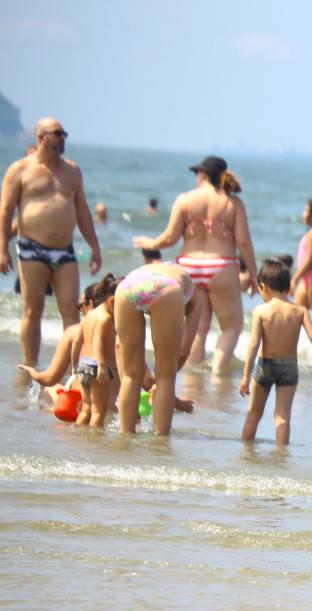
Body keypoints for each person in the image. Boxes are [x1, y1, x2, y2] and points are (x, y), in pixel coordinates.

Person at [133, 156, 255, 371]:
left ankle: (192, 379)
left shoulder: (185, 199)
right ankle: (217, 373)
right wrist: (253, 274)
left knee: (198, 327)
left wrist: (149, 242)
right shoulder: (233, 203)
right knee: (231, 327)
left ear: (204, 174)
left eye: (197, 173)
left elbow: (170, 237)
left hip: (189, 266)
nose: (197, 177)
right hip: (221, 265)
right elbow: (243, 241)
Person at [0, 117, 102, 366]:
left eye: (64, 133)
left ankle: (74, 369)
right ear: (41, 137)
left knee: (71, 309)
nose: (62, 137)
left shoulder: (72, 171)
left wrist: (95, 247)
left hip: (65, 251)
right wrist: (2, 249)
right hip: (32, 248)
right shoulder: (20, 169)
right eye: (57, 133)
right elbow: (5, 212)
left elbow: (83, 212)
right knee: (33, 309)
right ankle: (30, 366)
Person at [239, 259, 312, 445]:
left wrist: (245, 375)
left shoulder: (261, 311)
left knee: (253, 415)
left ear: (263, 287)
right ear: (286, 286)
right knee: (282, 416)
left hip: (264, 365)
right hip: (290, 367)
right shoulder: (300, 311)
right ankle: (281, 455)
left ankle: (246, 454)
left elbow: (254, 343)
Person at [113, 262, 199, 436]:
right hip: (165, 287)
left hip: (127, 286)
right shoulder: (194, 294)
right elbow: (183, 351)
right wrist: (165, 375)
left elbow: (119, 346)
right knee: (166, 377)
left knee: (130, 375)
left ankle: (125, 435)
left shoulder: (146, 269)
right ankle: (160, 439)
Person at [74, 273, 118, 428]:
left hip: (83, 365)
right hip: (95, 366)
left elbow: (77, 342)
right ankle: (94, 441)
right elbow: (98, 341)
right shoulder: (105, 318)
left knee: (86, 409)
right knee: (99, 411)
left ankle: (78, 431)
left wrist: (74, 365)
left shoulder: (88, 316)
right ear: (112, 301)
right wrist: (101, 365)